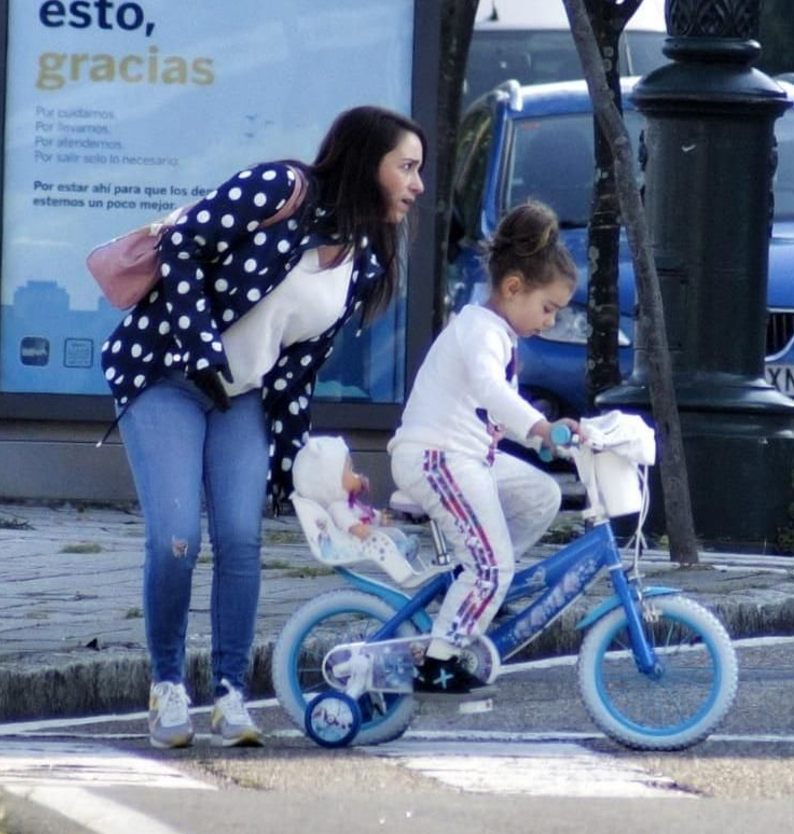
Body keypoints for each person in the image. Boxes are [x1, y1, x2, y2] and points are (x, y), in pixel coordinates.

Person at [100, 106, 426, 748]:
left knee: (241, 540)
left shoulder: (363, 262)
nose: (416, 185)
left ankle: (229, 695)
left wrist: (304, 473)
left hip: (243, 398)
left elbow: (297, 372)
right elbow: (181, 244)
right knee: (176, 539)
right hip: (166, 375)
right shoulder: (280, 189)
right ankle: (167, 684)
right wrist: (201, 347)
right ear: (367, 163)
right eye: (406, 167)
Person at [387, 201, 580, 693]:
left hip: (467, 457)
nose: (550, 322)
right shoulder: (479, 331)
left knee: (541, 495)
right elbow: (494, 393)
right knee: (493, 566)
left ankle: (473, 581)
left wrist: (546, 441)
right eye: (548, 309)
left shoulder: (498, 334)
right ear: (513, 287)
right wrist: (541, 426)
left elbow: (494, 411)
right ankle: (438, 659)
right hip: (437, 457)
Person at [292, 434, 421, 567]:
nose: (356, 475)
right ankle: (400, 551)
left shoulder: (347, 504)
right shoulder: (337, 507)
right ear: (332, 480)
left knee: (392, 534)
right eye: (350, 470)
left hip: (365, 538)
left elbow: (362, 512)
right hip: (358, 543)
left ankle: (402, 548)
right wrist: (355, 527)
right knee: (386, 537)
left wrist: (378, 517)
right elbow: (345, 520)